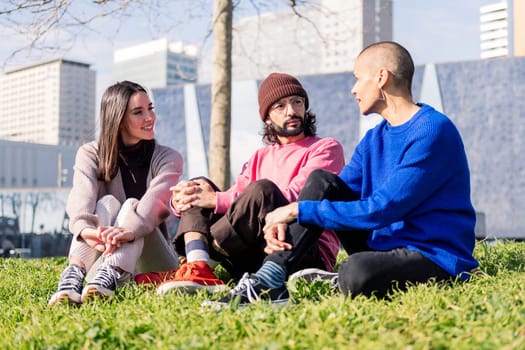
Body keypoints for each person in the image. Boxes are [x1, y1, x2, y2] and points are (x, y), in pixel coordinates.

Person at [206, 41, 479, 306]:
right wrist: (286, 216)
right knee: (321, 181)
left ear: (381, 77)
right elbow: (329, 192)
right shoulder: (374, 138)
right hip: (383, 246)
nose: (353, 89)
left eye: (359, 78)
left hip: (433, 254)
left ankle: (332, 279)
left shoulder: (431, 131)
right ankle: (270, 279)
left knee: (355, 272)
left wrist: (297, 211)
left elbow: (383, 209)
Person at [151, 72, 345, 295]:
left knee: (263, 190)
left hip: (301, 252)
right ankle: (198, 265)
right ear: (267, 118)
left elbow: (298, 198)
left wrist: (214, 200)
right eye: (280, 106)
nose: (291, 111)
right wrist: (181, 200)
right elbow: (237, 204)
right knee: (198, 184)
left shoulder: (326, 148)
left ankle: (201, 258)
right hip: (253, 254)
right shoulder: (260, 157)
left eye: (297, 102)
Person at [48, 81, 183, 307]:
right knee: (107, 202)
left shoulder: (169, 158)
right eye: (139, 112)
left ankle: (113, 271)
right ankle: (73, 276)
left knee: (132, 205)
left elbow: (151, 208)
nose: (150, 117)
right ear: (118, 119)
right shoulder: (90, 153)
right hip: (98, 264)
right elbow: (81, 201)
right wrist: (89, 231)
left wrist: (125, 233)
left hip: (155, 265)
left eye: (150, 108)